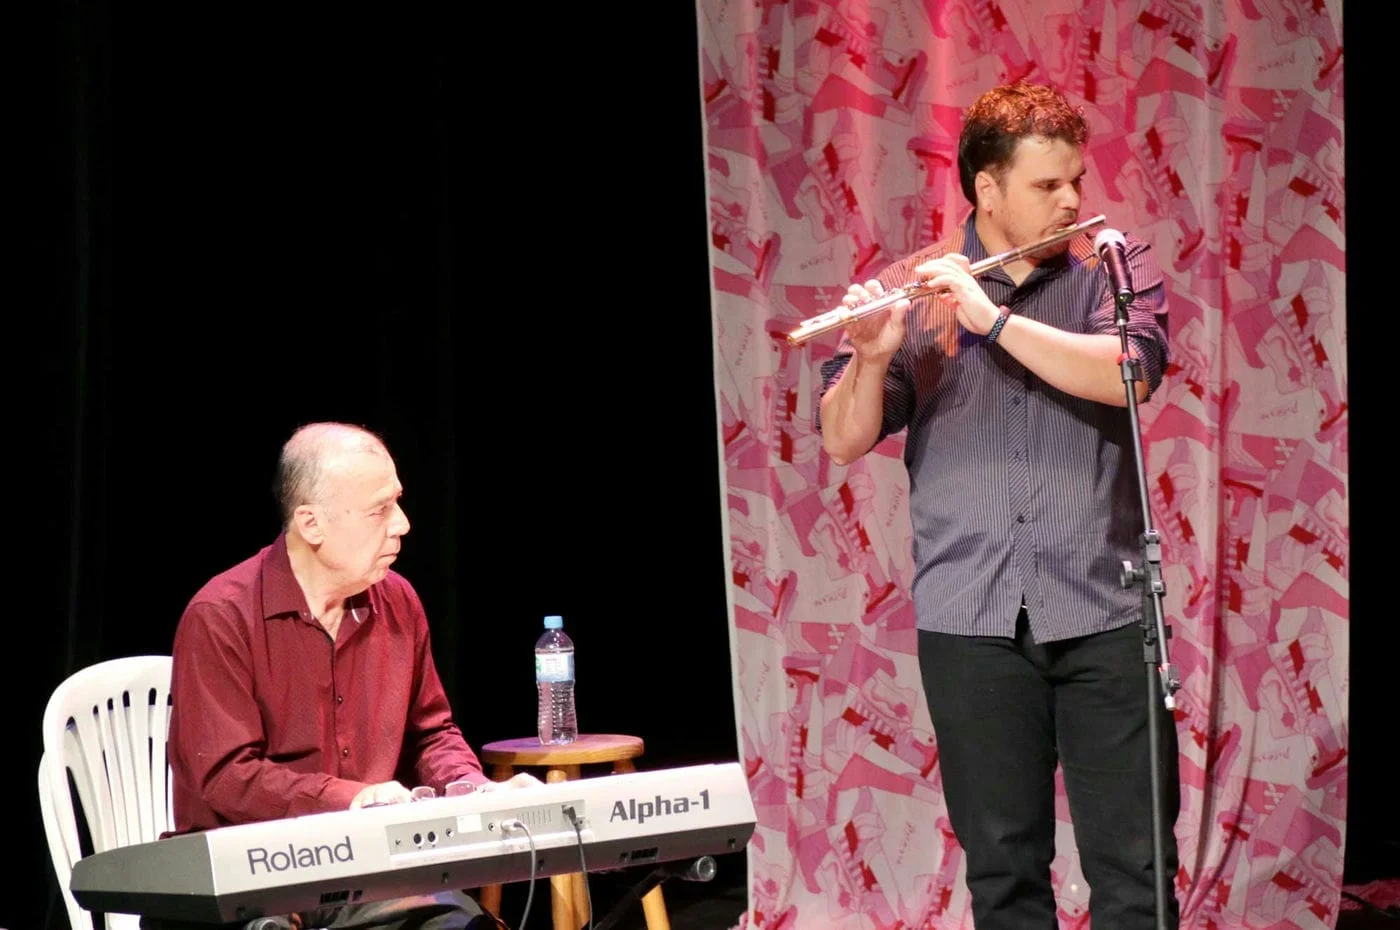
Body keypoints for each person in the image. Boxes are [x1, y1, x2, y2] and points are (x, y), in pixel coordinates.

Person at [815, 81, 1182, 929]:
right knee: (1004, 878)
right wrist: (870, 358)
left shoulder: (1111, 269)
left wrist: (992, 321)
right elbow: (841, 438)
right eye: (1047, 185)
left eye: (1076, 180)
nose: (1072, 200)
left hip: (1102, 611)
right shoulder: (914, 287)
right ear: (987, 188)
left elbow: (1129, 373)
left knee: (1136, 876)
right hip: (971, 620)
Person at [155, 422, 538, 930]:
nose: (402, 524)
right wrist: (352, 798)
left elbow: (431, 734)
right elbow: (225, 778)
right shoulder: (221, 616)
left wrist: (470, 787)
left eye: (398, 503)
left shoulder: (398, 601)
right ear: (311, 524)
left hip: (364, 870)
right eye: (380, 510)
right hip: (248, 875)